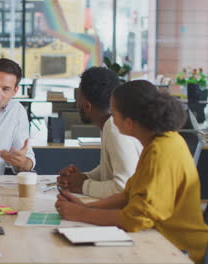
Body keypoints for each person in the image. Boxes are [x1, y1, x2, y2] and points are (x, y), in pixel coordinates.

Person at [55, 80, 208, 264]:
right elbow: (127, 196)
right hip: (159, 239)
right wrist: (84, 207)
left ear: (128, 122)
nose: (110, 118)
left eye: (114, 113)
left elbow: (136, 219)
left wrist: (79, 214)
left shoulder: (163, 150)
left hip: (178, 249)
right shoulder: (156, 143)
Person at [57, 67, 142, 198]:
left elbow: (124, 188)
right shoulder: (110, 123)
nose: (76, 104)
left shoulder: (115, 128)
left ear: (87, 106)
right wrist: (84, 177)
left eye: (78, 97)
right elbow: (110, 168)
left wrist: (82, 185)